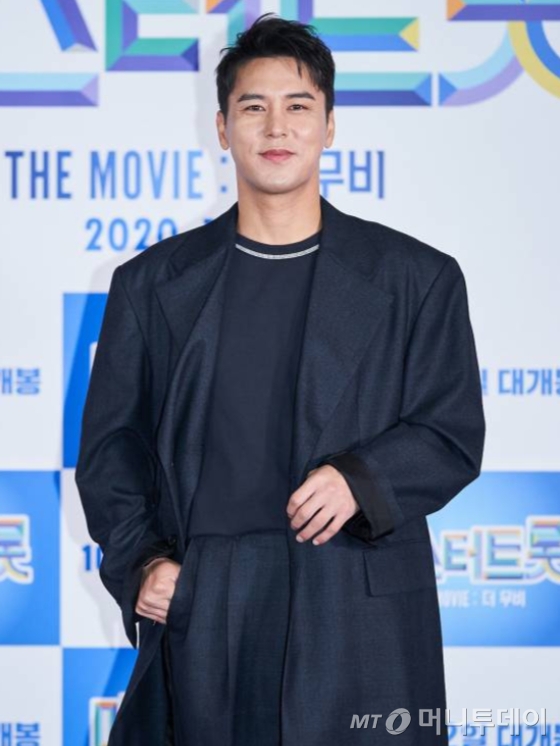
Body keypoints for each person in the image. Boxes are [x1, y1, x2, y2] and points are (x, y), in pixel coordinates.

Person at [75, 12, 486, 746]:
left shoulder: (417, 279)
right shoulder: (151, 284)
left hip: (356, 600)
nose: (276, 127)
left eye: (298, 106)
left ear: (329, 126)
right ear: (222, 128)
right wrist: (142, 563)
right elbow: (112, 450)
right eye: (253, 107)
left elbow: (450, 432)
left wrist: (361, 480)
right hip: (209, 600)